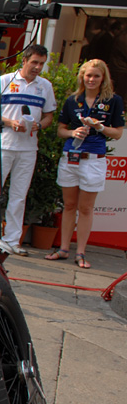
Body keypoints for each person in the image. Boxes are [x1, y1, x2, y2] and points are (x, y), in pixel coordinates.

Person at [0, 45, 57, 255]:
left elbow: (49, 116)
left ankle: (12, 240)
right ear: (24, 60)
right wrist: (10, 122)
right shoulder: (4, 81)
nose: (38, 67)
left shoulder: (45, 86)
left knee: (19, 195)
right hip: (3, 143)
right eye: (34, 62)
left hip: (28, 147)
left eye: (41, 63)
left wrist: (39, 125)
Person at [47, 59, 124, 269]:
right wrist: (73, 132)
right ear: (82, 76)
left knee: (86, 208)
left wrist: (100, 127)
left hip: (94, 159)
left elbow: (117, 133)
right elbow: (60, 130)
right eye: (88, 75)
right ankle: (63, 248)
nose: (91, 79)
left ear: (103, 78)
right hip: (71, 158)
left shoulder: (113, 100)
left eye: (96, 76)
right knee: (69, 205)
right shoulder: (73, 100)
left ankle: (80, 252)